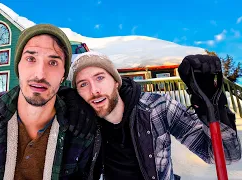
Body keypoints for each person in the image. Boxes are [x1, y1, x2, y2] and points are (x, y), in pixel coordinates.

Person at [0, 24, 97, 180]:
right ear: (18, 66)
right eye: (31, 59)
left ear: (63, 75)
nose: (40, 74)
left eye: (53, 62)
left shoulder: (81, 129)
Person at [67, 51, 241, 180]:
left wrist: (214, 110)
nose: (94, 90)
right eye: (83, 84)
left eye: (100, 78)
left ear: (115, 81)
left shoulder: (157, 107)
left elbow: (226, 155)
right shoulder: (82, 122)